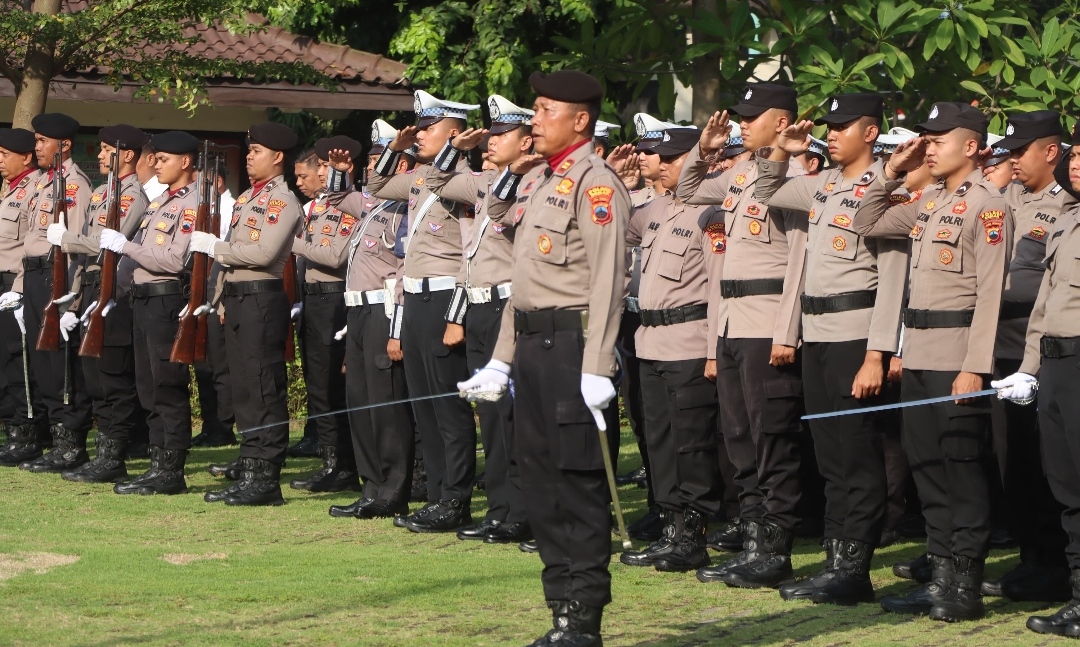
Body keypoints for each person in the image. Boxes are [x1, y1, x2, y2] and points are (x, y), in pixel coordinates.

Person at [459, 68, 631, 647]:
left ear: (580, 120)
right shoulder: (544, 181)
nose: (534, 120)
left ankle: (583, 618)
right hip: (534, 347)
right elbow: (525, 284)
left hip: (572, 351)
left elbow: (609, 279)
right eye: (534, 109)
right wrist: (501, 360)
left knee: (575, 484)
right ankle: (560, 610)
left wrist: (598, 365)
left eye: (544, 110)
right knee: (539, 483)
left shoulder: (596, 184)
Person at [852, 102, 1011, 621]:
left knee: (960, 468)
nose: (930, 148)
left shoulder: (988, 206)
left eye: (939, 140)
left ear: (971, 146)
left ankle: (964, 583)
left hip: (957, 355)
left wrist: (976, 365)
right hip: (919, 353)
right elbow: (866, 221)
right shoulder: (929, 200)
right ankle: (940, 576)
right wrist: (891, 170)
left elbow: (990, 294)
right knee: (926, 467)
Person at [756, 94, 908, 604]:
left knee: (856, 453)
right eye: (831, 126)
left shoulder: (886, 188)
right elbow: (768, 191)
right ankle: (835, 561)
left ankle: (854, 570)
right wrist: (783, 149)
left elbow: (892, 278)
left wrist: (877, 353)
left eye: (843, 126)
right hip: (818, 332)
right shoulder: (822, 184)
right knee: (828, 455)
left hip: (855, 333)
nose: (833, 134)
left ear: (871, 132)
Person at [677, 84, 809, 589]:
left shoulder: (794, 178)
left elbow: (799, 262)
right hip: (733, 320)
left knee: (771, 435)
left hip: (767, 322)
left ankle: (775, 550)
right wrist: (704, 149)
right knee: (737, 435)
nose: (743, 123)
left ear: (782, 123)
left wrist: (787, 331)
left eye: (753, 116)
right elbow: (688, 191)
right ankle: (753, 541)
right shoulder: (740, 173)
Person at [366, 90, 480, 532]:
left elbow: (470, 254)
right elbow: (375, 187)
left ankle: (456, 499)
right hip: (414, 298)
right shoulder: (419, 177)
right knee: (424, 407)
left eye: (430, 128)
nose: (421, 135)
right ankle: (436, 495)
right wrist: (394, 149)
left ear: (454, 135)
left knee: (448, 408)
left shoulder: (466, 181)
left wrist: (457, 315)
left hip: (444, 297)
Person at [424, 94, 533, 545]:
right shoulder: (488, 182)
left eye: (502, 134)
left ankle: (522, 511)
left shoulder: (535, 185)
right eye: (492, 133)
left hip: (509, 307)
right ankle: (500, 509)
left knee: (512, 415)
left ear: (526, 142)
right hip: (479, 307)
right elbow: (435, 180)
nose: (491, 140)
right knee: (489, 416)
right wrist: (455, 147)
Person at [617, 125, 726, 574]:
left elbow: (719, 287)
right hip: (650, 341)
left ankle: (694, 537)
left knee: (691, 443)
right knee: (660, 442)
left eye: (668, 158)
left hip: (689, 341)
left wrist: (715, 350)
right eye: (655, 158)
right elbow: (610, 230)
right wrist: (615, 182)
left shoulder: (711, 213)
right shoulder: (655, 209)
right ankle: (670, 530)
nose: (657, 165)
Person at [985, 110, 1073, 603]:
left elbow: (1043, 283)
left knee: (1048, 465)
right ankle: (1032, 557)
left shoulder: (1064, 203)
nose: (1013, 160)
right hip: (1001, 349)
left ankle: (1055, 564)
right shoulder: (1006, 197)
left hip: (1039, 350)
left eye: (1021, 151)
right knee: (1012, 461)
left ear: (1051, 151)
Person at [195, 122, 304, 506]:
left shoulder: (282, 201)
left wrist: (215, 248)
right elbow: (233, 260)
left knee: (261, 388)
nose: (249, 157)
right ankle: (251, 465)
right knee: (243, 389)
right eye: (249, 150)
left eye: (257, 151)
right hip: (239, 300)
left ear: (278, 157)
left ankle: (265, 477)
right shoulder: (246, 198)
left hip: (262, 299)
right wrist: (220, 300)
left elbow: (263, 253)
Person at [100, 131, 199, 495]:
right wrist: (111, 293)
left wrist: (126, 246)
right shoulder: (160, 202)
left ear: (185, 162)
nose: (156, 164)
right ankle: (158, 464)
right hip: (142, 300)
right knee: (147, 388)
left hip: (165, 300)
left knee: (167, 386)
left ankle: (172, 471)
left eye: (164, 159)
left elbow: (174, 259)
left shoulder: (192, 204)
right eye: (155, 158)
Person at [326, 122, 416, 520]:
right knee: (360, 402)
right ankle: (371, 486)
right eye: (372, 159)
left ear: (403, 167)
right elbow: (336, 196)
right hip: (358, 311)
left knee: (385, 406)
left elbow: (403, 274)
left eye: (380, 160)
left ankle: (393, 490)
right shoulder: (373, 204)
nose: (371, 167)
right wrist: (339, 171)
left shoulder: (407, 209)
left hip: (384, 310)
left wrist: (396, 330)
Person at [56, 124, 150, 484]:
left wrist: (66, 239)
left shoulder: (132, 196)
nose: (98, 155)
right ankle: (104, 454)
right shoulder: (100, 192)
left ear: (127, 155)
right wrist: (74, 299)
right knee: (94, 377)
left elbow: (107, 243)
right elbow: (88, 252)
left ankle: (114, 456)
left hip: (117, 291)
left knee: (113, 376)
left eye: (106, 149)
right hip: (93, 286)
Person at [12, 113, 94, 474]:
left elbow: (73, 248)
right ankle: (56, 439)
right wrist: (19, 287)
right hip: (33, 275)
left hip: (55, 277)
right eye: (37, 140)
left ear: (65, 145)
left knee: (61, 365)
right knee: (41, 362)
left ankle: (71, 444)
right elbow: (28, 240)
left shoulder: (74, 185)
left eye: (43, 141)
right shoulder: (42, 183)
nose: (37, 147)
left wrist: (71, 299)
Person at [287, 135, 363, 493]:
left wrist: (291, 241)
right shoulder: (317, 208)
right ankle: (330, 461)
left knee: (333, 385)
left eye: (325, 168)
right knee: (318, 386)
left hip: (334, 299)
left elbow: (335, 257)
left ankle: (344, 465)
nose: (320, 175)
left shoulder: (348, 207)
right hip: (313, 299)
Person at [0, 128, 46, 467]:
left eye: (5, 154)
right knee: (5, 362)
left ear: (26, 157)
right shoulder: (11, 189)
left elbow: (29, 246)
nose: (0, 161)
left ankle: (28, 433)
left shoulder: (35, 189)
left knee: (20, 361)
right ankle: (12, 430)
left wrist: (17, 289)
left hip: (17, 284)